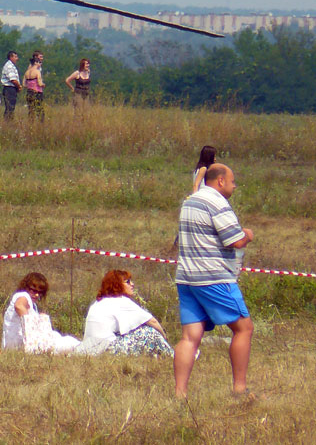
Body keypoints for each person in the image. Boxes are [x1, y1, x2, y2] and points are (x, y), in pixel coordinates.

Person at [174, 163, 254, 398]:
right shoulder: (218, 203)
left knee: (189, 337)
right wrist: (248, 235)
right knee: (244, 328)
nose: (234, 186)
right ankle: (239, 389)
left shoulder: (190, 202)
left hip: (186, 278)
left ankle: (180, 394)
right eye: (232, 181)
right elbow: (235, 240)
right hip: (214, 278)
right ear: (220, 181)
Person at [74, 270, 173, 357]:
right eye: (128, 282)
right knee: (150, 331)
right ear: (117, 285)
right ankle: (171, 355)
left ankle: (156, 356)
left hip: (89, 348)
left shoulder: (98, 302)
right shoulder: (121, 301)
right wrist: (164, 336)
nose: (132, 284)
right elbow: (152, 321)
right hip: (106, 349)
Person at [1, 272, 79, 353]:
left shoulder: (33, 305)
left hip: (21, 344)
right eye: (33, 291)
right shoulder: (23, 296)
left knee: (58, 336)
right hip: (21, 344)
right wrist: (32, 324)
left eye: (40, 292)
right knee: (69, 343)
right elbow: (19, 306)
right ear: (25, 287)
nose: (37, 295)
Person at [0, 51, 22, 120]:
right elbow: (13, 79)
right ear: (11, 57)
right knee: (10, 107)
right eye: (15, 57)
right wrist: (19, 86)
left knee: (11, 107)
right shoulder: (9, 66)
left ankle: (8, 120)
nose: (17, 58)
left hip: (11, 89)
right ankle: (7, 121)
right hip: (9, 89)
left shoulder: (12, 66)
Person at [24, 51, 45, 122]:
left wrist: (30, 85)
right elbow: (40, 83)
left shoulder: (27, 72)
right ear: (36, 62)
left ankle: (31, 123)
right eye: (40, 62)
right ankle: (41, 124)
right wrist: (43, 84)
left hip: (29, 92)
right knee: (39, 110)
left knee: (31, 110)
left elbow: (24, 84)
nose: (41, 63)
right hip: (37, 92)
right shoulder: (37, 71)